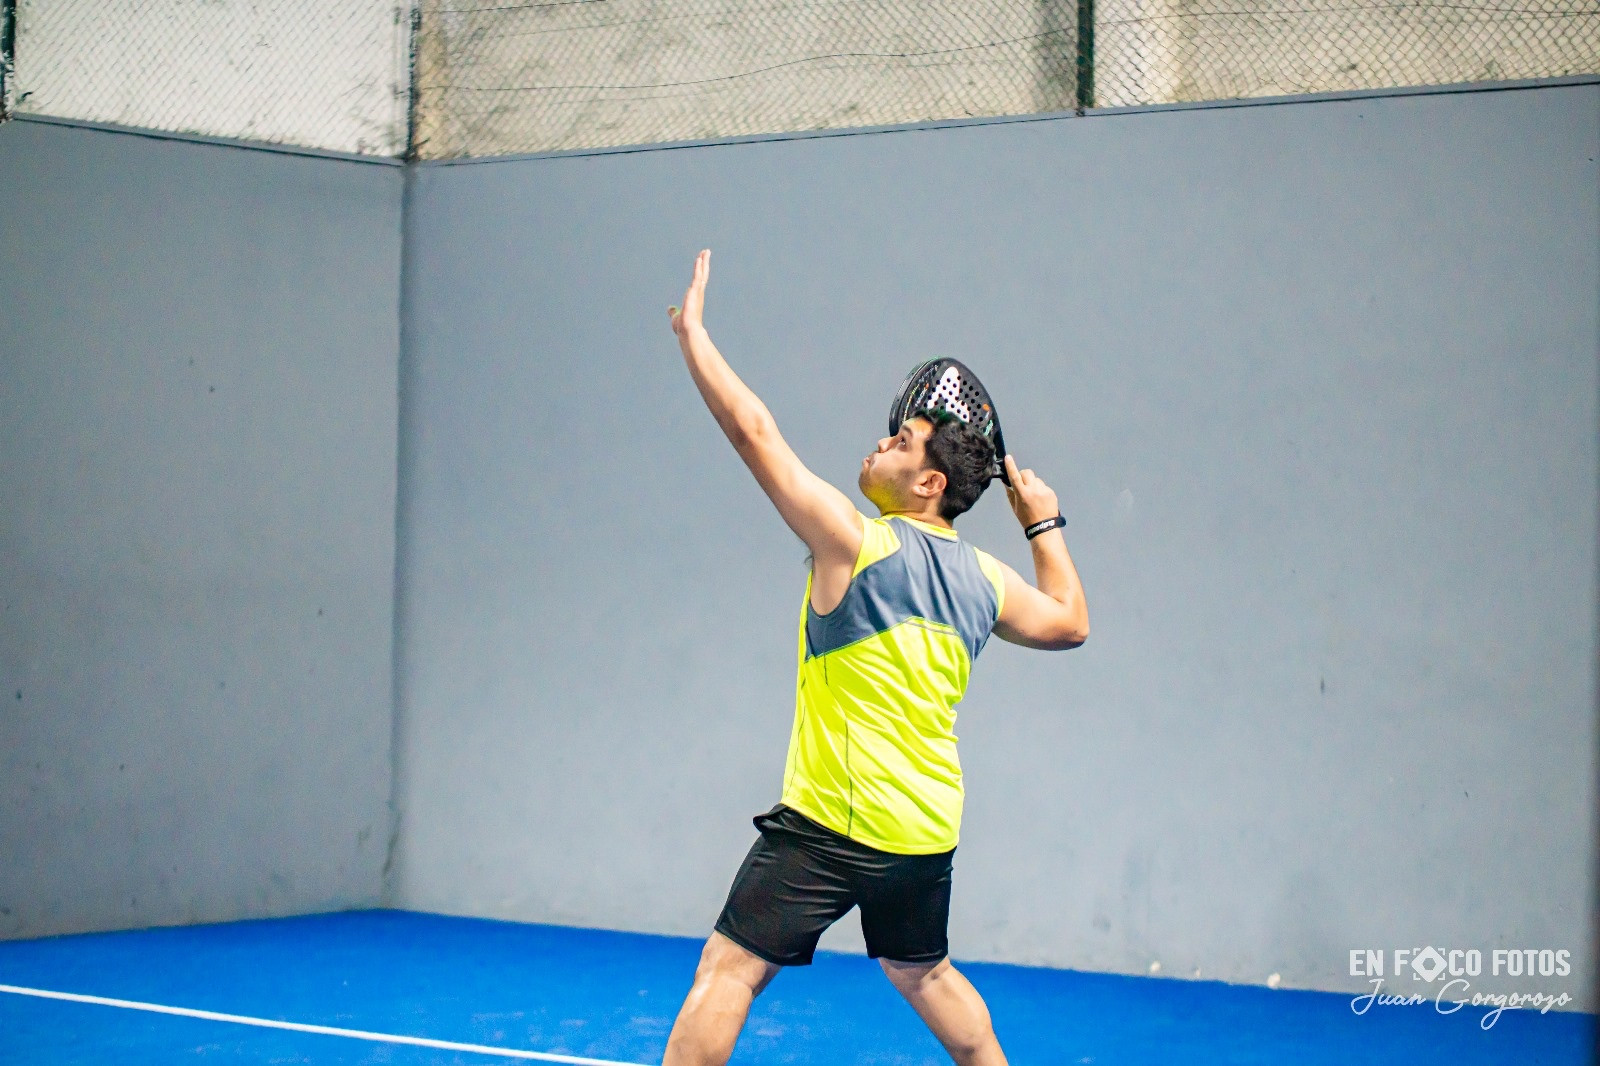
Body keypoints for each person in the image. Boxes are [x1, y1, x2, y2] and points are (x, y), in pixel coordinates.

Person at [662, 249, 1088, 1066]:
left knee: (728, 971)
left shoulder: (853, 543)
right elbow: (1070, 623)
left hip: (831, 824)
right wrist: (1042, 521)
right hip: (924, 833)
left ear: (929, 484)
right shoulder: (988, 580)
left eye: (901, 441)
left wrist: (696, 341)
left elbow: (753, 433)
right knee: (924, 972)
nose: (880, 444)